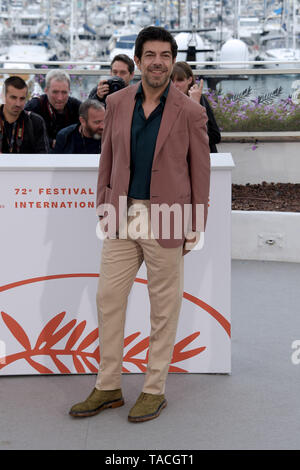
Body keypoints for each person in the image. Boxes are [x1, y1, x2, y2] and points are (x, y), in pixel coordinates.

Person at [69, 26, 210, 422]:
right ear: (138, 59)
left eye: (165, 55)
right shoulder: (116, 103)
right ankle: (108, 386)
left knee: (163, 308)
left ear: (172, 60)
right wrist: (102, 202)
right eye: (150, 55)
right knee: (108, 298)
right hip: (121, 214)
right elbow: (108, 157)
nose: (158, 62)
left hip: (168, 218)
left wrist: (195, 223)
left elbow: (200, 171)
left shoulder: (191, 111)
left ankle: (153, 389)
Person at [171, 61, 221, 153]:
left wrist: (195, 105)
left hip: (201, 155)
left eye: (180, 80)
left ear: (189, 80)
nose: (174, 85)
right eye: (171, 80)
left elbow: (215, 136)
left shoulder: (199, 99)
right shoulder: (166, 102)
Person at [25, 70, 81, 150]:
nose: (60, 98)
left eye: (64, 92)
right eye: (55, 92)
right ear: (46, 90)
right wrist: (51, 142)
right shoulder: (33, 107)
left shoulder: (76, 106)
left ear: (69, 91)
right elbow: (26, 136)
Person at [0, 76, 49, 154]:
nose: (18, 104)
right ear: (3, 96)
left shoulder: (35, 122)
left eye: (22, 99)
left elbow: (43, 157)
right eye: (13, 98)